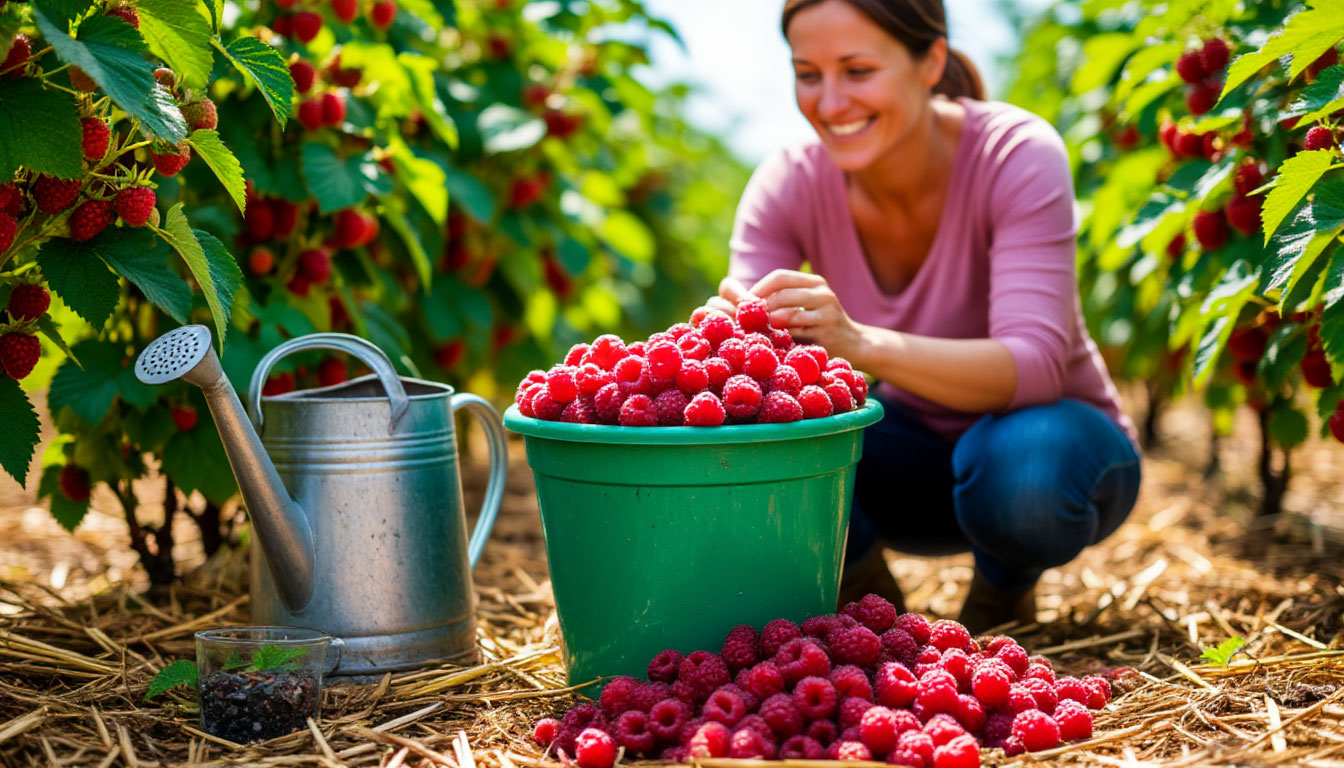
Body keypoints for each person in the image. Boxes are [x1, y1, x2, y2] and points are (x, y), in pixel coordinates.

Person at [708, 0, 1141, 634]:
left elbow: (1038, 366)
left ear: (931, 60)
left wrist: (856, 342)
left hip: (1052, 455)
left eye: (858, 70)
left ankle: (1003, 593)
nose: (829, 103)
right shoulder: (788, 182)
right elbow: (746, 377)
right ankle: (866, 599)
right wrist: (725, 343)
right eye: (808, 73)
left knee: (1024, 470)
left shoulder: (1014, 152)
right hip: (912, 459)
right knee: (754, 444)